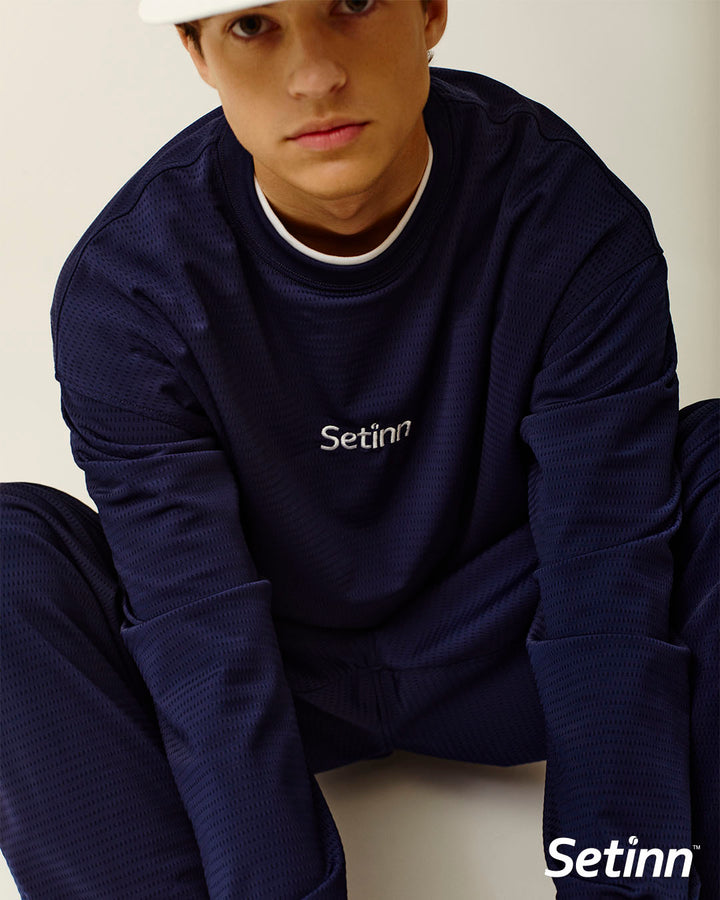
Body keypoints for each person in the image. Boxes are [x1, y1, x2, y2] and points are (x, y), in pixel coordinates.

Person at [1, 1, 717, 897]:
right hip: (272, 669)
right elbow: (199, 635)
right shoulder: (131, 288)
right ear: (196, 50)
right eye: (253, 26)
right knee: (11, 552)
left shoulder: (567, 216)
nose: (314, 76)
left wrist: (623, 885)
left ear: (430, 11)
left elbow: (604, 577)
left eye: (353, 3)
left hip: (511, 643)